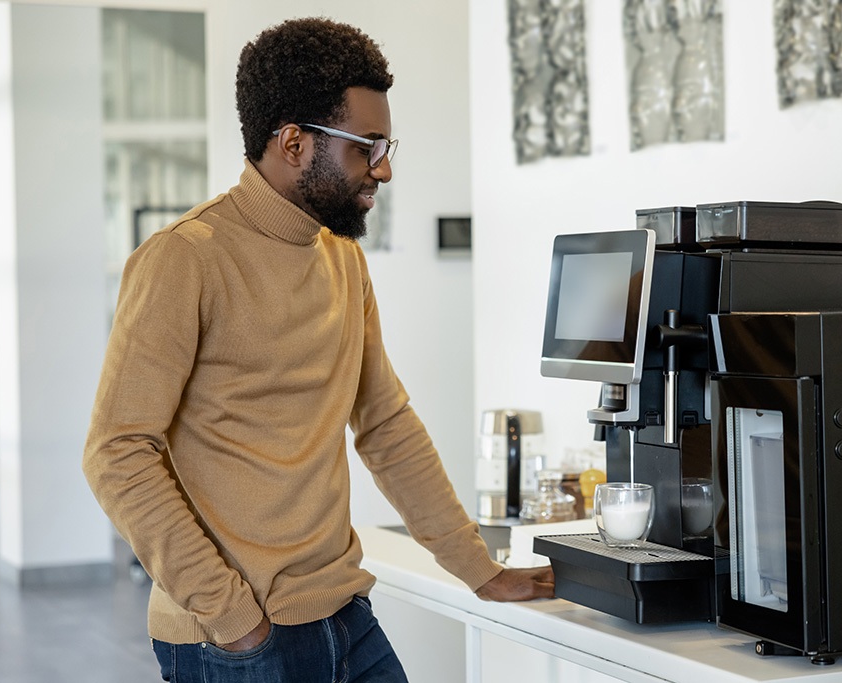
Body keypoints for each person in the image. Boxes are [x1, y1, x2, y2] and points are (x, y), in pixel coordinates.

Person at [82, 16, 554, 682]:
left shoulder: (342, 259)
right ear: (295, 142)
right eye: (368, 146)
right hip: (238, 639)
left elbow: (386, 425)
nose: (384, 168)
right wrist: (233, 617)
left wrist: (480, 570)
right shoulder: (184, 260)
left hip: (343, 613)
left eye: (387, 144)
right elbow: (116, 451)